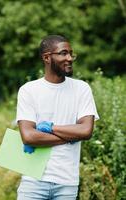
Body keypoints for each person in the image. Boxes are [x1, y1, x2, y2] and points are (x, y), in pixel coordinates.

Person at [16, 35, 99, 200]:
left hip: (66, 183)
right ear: (47, 57)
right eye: (63, 53)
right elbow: (28, 136)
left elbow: (86, 131)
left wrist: (50, 127)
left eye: (71, 53)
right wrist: (70, 136)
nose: (69, 58)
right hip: (33, 182)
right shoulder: (28, 90)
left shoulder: (82, 89)